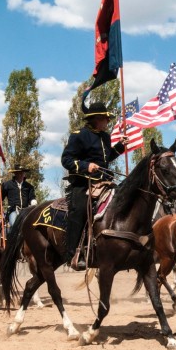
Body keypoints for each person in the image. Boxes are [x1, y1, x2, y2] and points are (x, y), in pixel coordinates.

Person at [61, 102, 128, 270]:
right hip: (83, 183)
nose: (108, 121)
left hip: (104, 182)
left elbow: (105, 158)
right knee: (81, 210)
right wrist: (86, 166)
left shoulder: (105, 136)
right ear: (96, 119)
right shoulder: (79, 135)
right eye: (105, 118)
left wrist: (120, 146)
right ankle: (73, 254)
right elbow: (66, 159)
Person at [0, 164, 37, 229]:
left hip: (26, 211)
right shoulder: (7, 185)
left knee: (33, 227)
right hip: (13, 211)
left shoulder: (29, 187)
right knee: (15, 225)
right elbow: (0, 199)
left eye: (22, 173)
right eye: (18, 173)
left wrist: (33, 201)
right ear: (15, 174)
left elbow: (32, 197)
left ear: (24, 174)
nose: (20, 175)